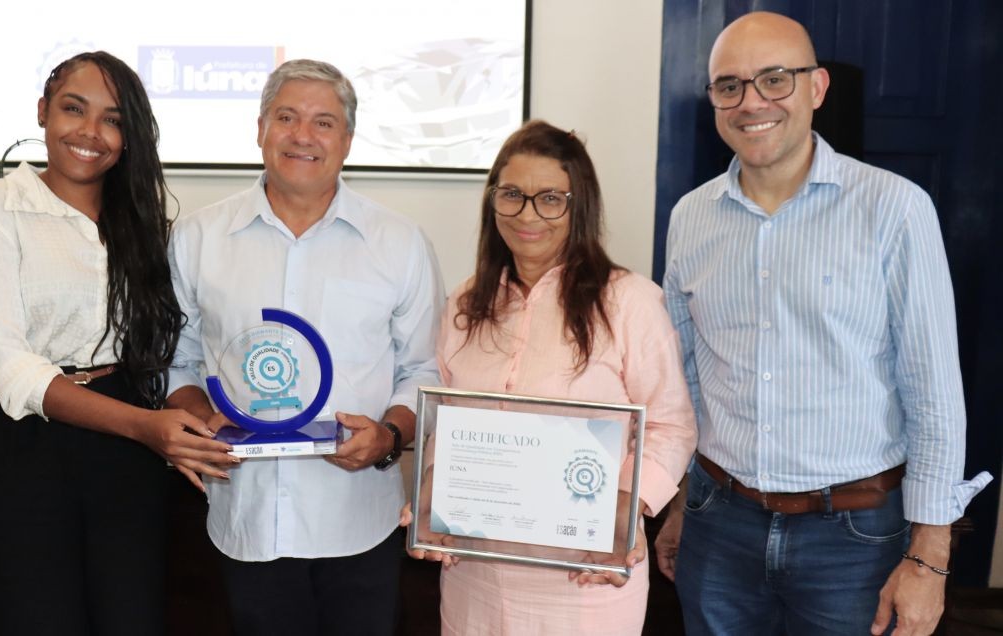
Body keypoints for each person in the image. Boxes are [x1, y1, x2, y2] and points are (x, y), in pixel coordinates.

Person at [656, 12, 993, 636]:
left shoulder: (894, 208)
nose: (751, 102)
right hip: (719, 526)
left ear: (816, 88)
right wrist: (681, 503)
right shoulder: (690, 217)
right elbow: (688, 381)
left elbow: (934, 393)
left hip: (855, 542)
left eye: (774, 79)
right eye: (729, 86)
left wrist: (929, 556)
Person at [0, 51, 237, 636]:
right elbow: (8, 367)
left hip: (124, 447)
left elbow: (162, 349)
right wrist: (143, 426)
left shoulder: (145, 224)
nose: (90, 132)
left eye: (113, 119)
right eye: (73, 109)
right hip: (19, 443)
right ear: (43, 111)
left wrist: (205, 417)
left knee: (130, 615)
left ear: (129, 137)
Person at [165, 58, 444, 635]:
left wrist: (388, 436)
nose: (303, 136)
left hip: (358, 521)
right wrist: (200, 417)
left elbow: (424, 371)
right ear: (260, 128)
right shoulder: (197, 238)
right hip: (246, 516)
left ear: (348, 139)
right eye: (286, 117)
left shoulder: (399, 243)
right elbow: (176, 360)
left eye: (324, 122)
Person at [403, 120, 698, 635]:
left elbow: (671, 426)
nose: (527, 215)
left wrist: (623, 508)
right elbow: (446, 422)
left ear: (578, 206)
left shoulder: (628, 302)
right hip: (475, 574)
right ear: (493, 201)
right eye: (512, 195)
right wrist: (432, 495)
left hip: (584, 578)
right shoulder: (466, 304)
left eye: (550, 199)